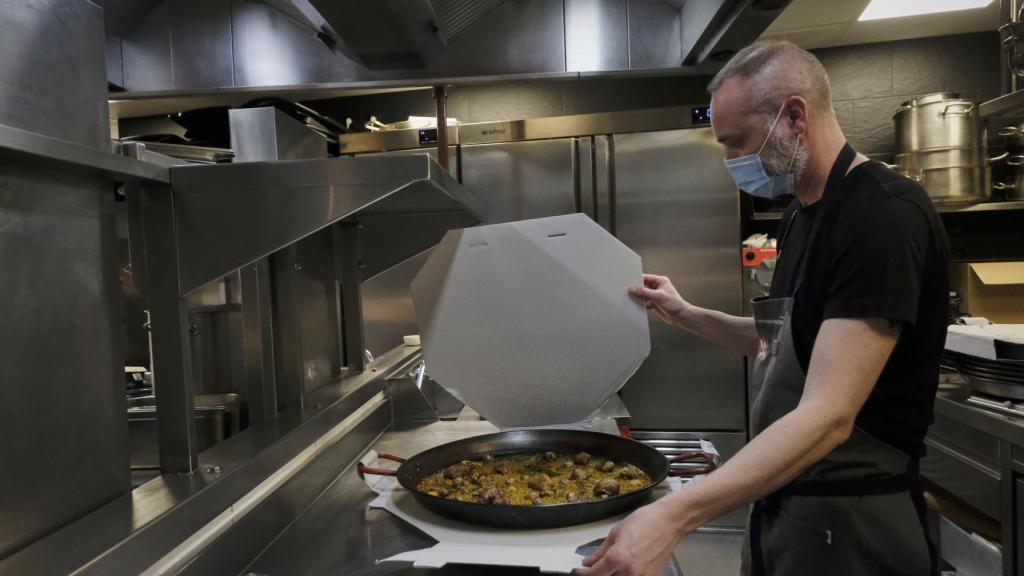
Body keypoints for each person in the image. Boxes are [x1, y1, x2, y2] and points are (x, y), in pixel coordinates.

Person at [579, 40, 949, 576]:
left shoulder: (881, 217)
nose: (731, 161)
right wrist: (685, 313)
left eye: (737, 142)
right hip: (788, 504)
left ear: (795, 116)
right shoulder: (802, 214)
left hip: (853, 524)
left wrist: (674, 516)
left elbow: (829, 415)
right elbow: (782, 342)